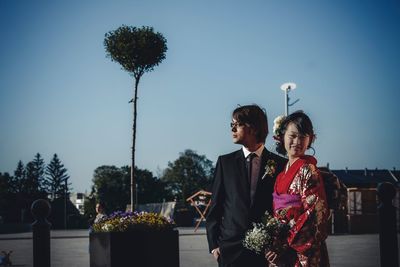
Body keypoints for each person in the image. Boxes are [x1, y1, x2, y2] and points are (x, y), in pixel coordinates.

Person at [206, 104, 287, 267]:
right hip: (229, 251)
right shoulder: (225, 162)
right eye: (231, 125)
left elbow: (283, 210)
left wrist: (279, 247)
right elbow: (215, 208)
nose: (232, 129)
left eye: (236, 124)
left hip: (265, 252)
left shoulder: (280, 164)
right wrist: (214, 245)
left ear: (253, 128)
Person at [266, 111, 330, 267]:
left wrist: (282, 244)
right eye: (292, 136)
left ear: (310, 139)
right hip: (280, 246)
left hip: (302, 250)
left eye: (303, 136)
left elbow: (314, 215)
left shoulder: (309, 170)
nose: (297, 141)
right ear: (282, 137)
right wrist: (271, 243)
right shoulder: (281, 174)